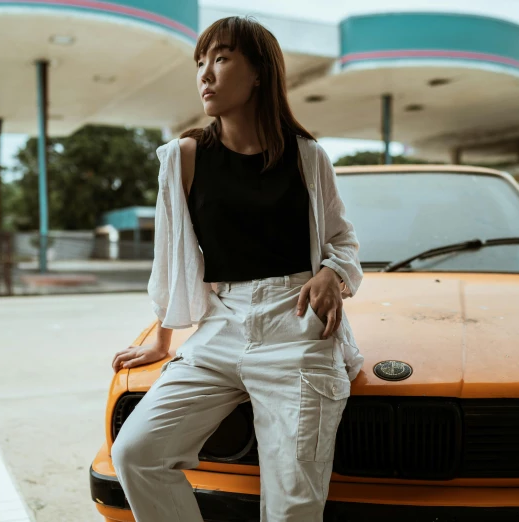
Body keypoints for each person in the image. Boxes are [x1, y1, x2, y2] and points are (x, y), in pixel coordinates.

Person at [110, 15, 364, 522]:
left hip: (297, 329)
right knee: (135, 453)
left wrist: (330, 274)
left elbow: (343, 243)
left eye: (221, 58)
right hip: (222, 326)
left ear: (259, 74)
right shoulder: (183, 158)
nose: (205, 73)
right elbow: (173, 258)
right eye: (200, 61)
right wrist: (161, 339)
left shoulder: (308, 158)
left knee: (292, 507)